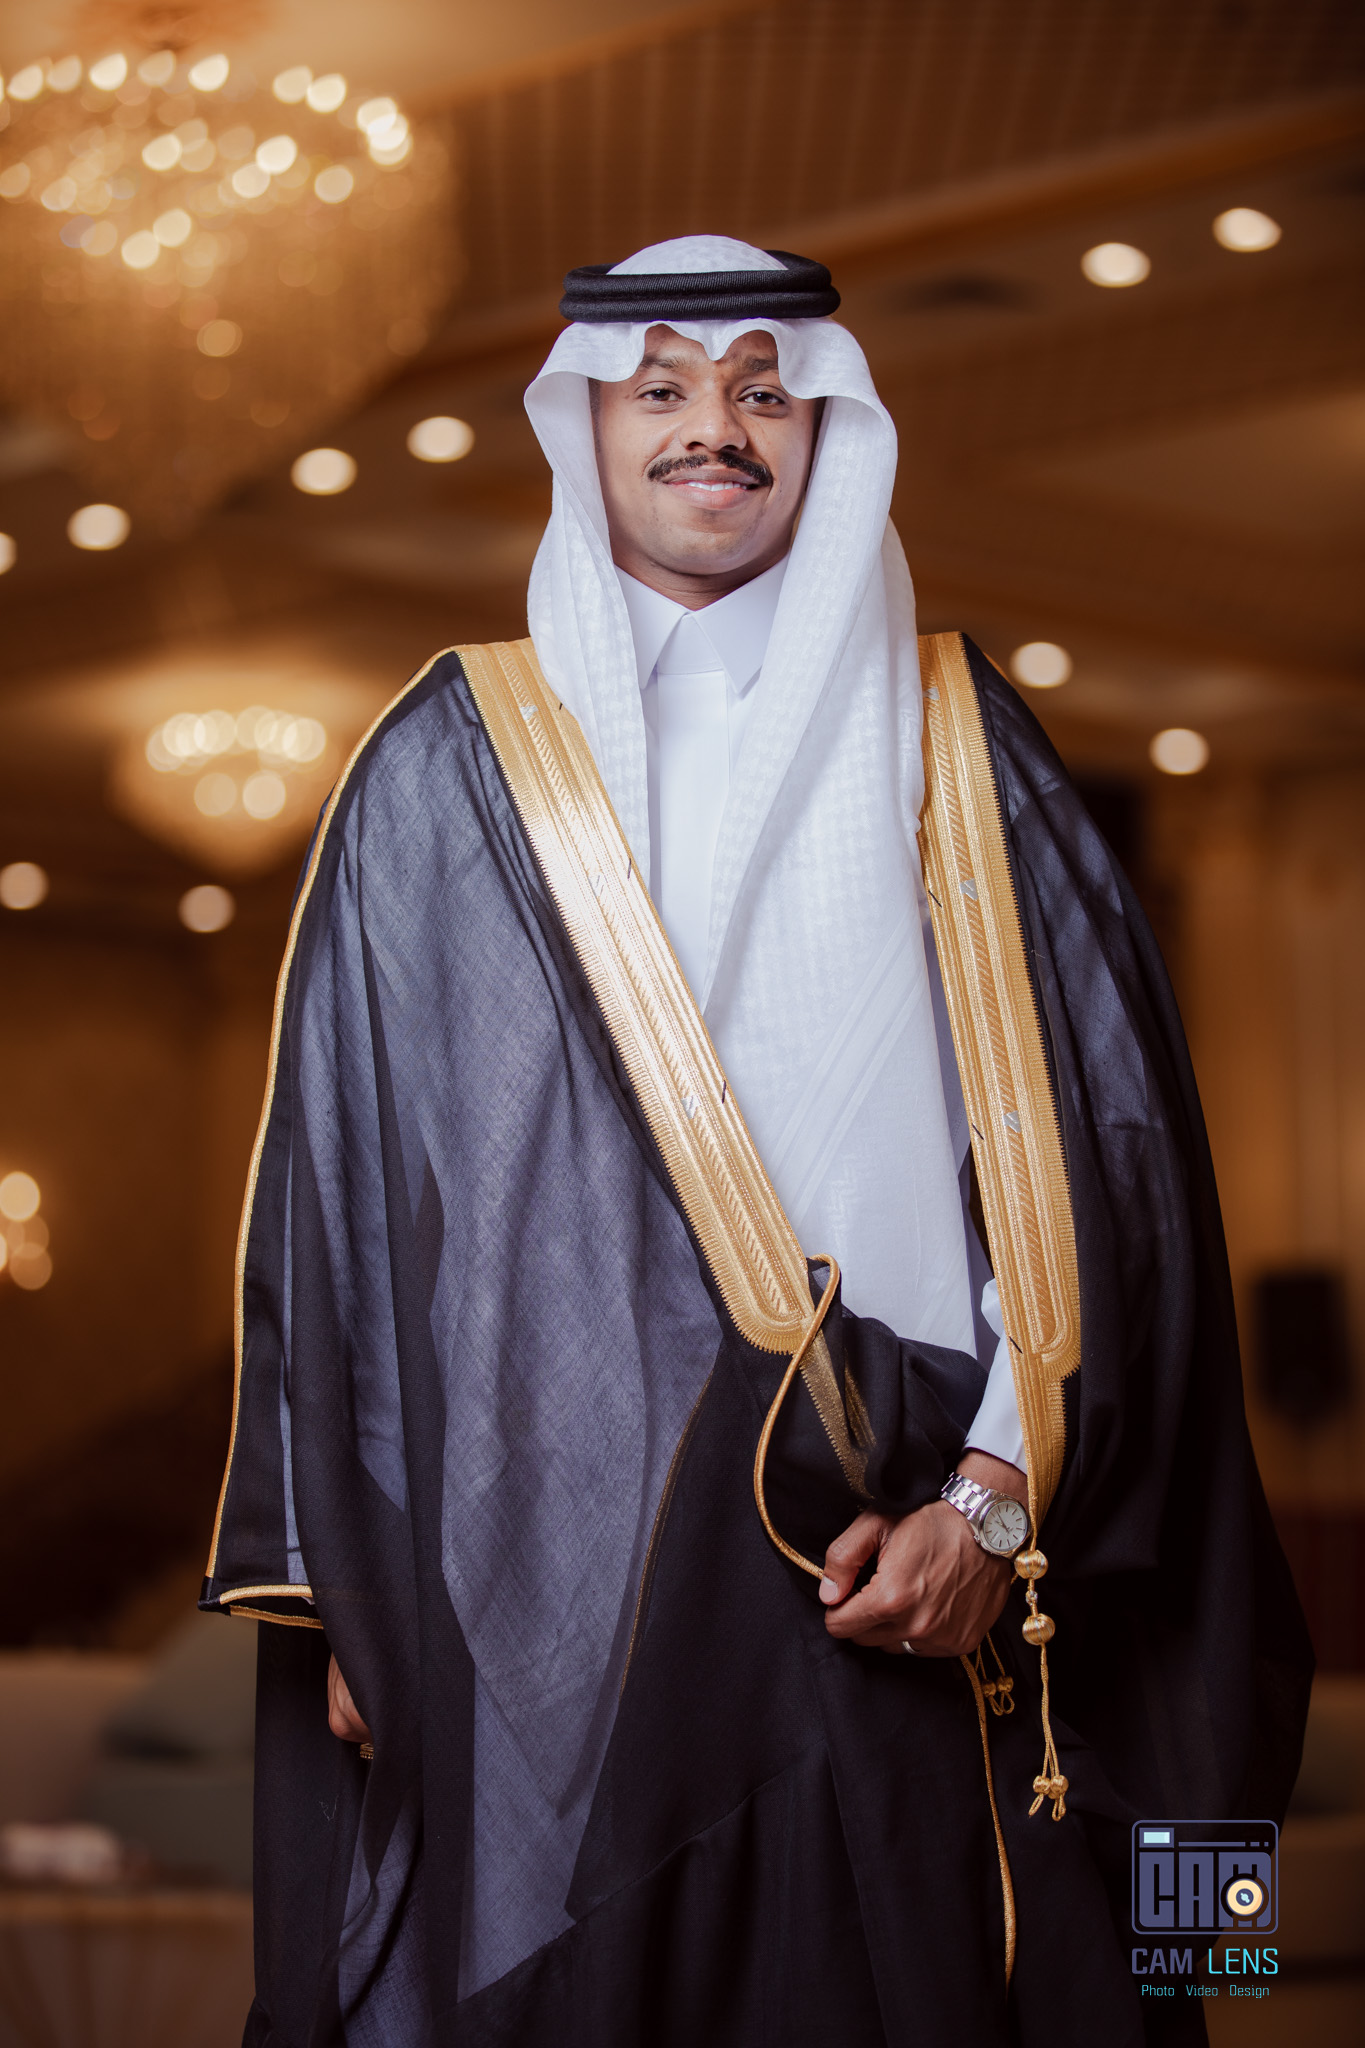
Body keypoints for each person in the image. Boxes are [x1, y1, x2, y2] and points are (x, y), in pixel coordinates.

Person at [204, 238, 1311, 2048]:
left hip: (934, 1549)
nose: (712, 427)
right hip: (568, 1574)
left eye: (762, 392)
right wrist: (360, 1599)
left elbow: (1121, 1163)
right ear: (584, 427)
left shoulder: (963, 735)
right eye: (659, 389)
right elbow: (345, 1202)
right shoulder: (449, 757)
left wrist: (996, 1498)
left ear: (829, 431)